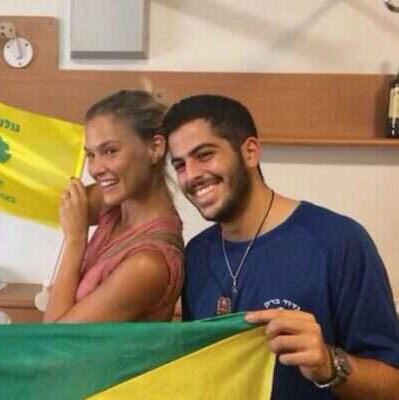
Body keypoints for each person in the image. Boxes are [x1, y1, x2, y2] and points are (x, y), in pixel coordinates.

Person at [162, 94, 399, 399]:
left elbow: (393, 384)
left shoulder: (338, 241)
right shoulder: (195, 255)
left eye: (205, 155)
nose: (191, 175)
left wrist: (329, 364)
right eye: (180, 165)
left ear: (250, 152)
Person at [0, 91, 184, 323]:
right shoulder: (117, 202)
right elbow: (31, 185)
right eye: (91, 154)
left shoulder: (147, 265)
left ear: (155, 148)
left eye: (110, 151)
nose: (96, 169)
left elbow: (57, 340)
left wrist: (75, 240)